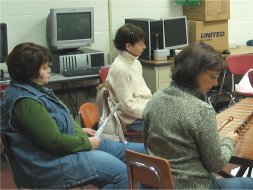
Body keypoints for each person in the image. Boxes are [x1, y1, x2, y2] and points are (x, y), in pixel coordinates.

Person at [0, 42, 146, 189]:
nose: (49, 70)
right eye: (44, 68)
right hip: (51, 164)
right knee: (121, 173)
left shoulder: (33, 90)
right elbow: (54, 142)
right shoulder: (25, 102)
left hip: (68, 149)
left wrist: (80, 131)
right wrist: (88, 143)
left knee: (146, 154)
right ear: (29, 72)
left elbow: (45, 129)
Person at [143, 42, 253, 189]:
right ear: (193, 73)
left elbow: (147, 144)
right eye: (212, 76)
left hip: (155, 184)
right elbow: (216, 164)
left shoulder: (155, 98)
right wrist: (229, 141)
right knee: (251, 184)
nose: (216, 83)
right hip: (190, 186)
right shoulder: (201, 110)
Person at [107, 23, 152, 133]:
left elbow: (143, 95)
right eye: (140, 44)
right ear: (128, 46)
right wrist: (153, 111)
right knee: (171, 129)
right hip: (132, 120)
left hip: (144, 113)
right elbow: (126, 107)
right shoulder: (121, 69)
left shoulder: (135, 63)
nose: (144, 47)